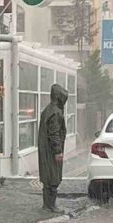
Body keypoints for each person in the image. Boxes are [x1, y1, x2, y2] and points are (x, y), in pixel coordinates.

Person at [38, 83, 69, 213]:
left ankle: (47, 204)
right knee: (53, 178)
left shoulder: (48, 109)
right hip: (51, 150)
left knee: (48, 178)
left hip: (45, 148)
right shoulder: (55, 112)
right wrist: (58, 151)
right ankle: (51, 205)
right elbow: (54, 133)